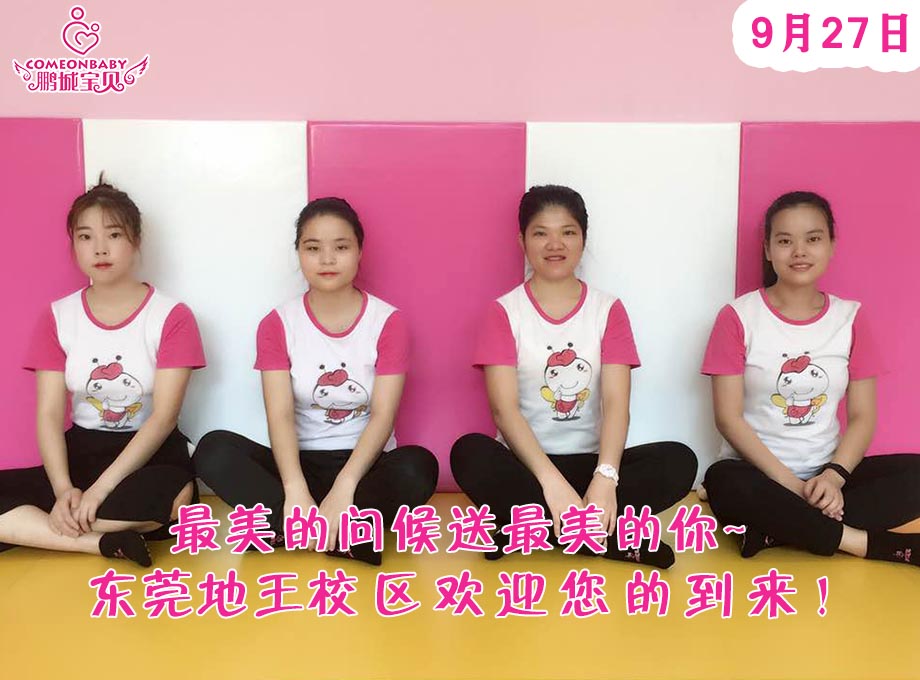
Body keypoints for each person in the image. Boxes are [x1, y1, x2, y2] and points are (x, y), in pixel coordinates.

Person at [451, 185, 697, 567]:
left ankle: (530, 529)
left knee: (679, 461)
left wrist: (606, 477)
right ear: (522, 241)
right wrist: (551, 483)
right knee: (469, 453)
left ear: (583, 239)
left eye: (567, 232)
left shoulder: (607, 309)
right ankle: (606, 539)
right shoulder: (504, 312)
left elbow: (615, 403)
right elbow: (504, 411)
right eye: (541, 233)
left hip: (590, 465)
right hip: (528, 467)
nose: (555, 244)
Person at [194, 197, 438, 565]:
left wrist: (345, 486)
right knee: (213, 449)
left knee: (419, 466)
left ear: (359, 251)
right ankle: (339, 530)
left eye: (341, 247)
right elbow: (279, 414)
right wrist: (294, 488)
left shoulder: (388, 322)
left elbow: (383, 415)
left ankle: (295, 528)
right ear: (299, 253)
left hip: (365, 465)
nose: (327, 259)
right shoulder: (277, 324)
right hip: (298, 463)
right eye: (313, 248)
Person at [702, 190, 920, 567]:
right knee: (723, 481)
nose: (799, 251)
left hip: (828, 473)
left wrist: (833, 478)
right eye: (785, 241)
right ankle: (867, 544)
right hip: (757, 475)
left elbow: (863, 417)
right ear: (768, 249)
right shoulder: (737, 317)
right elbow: (728, 419)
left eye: (813, 239)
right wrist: (794, 488)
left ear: (831, 245)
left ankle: (776, 530)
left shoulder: (850, 318)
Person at [0, 178, 206, 566]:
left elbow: (164, 417)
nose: (100, 248)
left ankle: (41, 529)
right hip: (81, 452)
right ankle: (101, 542)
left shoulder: (171, 316)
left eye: (114, 234)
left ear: (136, 240)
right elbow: (48, 413)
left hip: (149, 452)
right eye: (85, 236)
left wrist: (98, 492)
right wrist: (64, 490)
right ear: (73, 244)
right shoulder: (58, 317)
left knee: (171, 496)